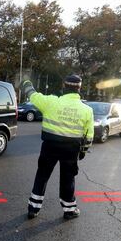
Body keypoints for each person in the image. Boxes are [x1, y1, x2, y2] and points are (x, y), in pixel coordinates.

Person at [22, 75, 94, 220]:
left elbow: (33, 95)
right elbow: (89, 136)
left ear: (64, 86)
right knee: (68, 179)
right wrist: (83, 151)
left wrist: (26, 82)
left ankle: (33, 209)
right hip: (71, 149)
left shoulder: (50, 102)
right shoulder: (87, 110)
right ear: (79, 88)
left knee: (42, 176)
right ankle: (69, 210)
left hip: (49, 146)